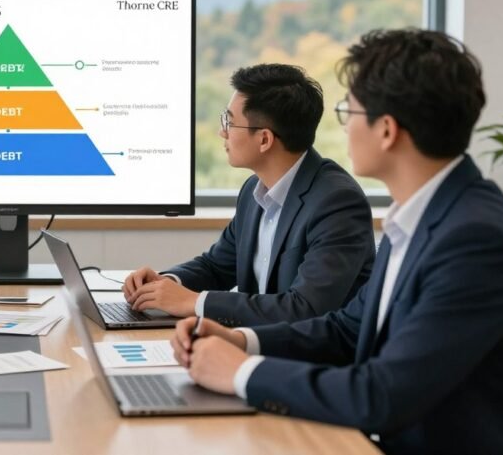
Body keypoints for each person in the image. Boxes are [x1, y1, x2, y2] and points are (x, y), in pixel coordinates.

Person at [173, 29, 503, 454]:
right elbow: (346, 330)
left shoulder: (475, 239)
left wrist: (242, 372)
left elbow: (381, 394)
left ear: (386, 131)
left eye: (350, 112)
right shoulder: (423, 216)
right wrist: (243, 341)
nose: (342, 130)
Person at [124, 64, 374, 326]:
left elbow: (305, 309)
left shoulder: (337, 202)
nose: (223, 132)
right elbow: (217, 266)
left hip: (309, 360)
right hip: (258, 345)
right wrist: (165, 284)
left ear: (264, 140)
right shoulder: (253, 191)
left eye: (229, 122)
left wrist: (193, 302)